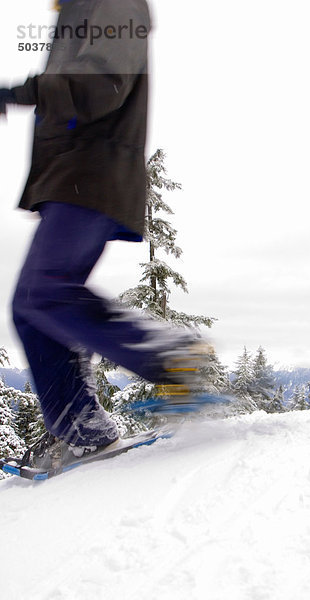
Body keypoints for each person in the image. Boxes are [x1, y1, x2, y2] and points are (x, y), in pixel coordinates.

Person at [0, 0, 205, 468]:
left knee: (45, 294)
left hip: (93, 169)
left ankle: (169, 355)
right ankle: (83, 432)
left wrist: (21, 92)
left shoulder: (114, 2)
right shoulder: (78, 9)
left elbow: (101, 82)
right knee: (33, 307)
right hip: (71, 173)